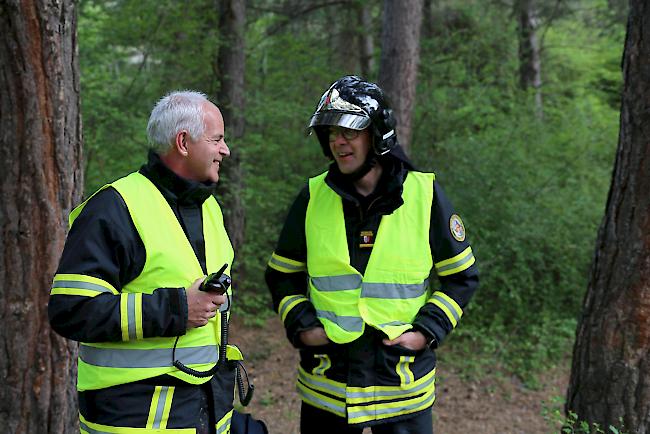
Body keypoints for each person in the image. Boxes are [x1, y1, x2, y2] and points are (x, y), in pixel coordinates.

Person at [265, 76, 479, 433]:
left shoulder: (425, 195)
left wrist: (426, 331)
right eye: (331, 132)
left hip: (402, 386)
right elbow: (281, 275)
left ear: (377, 135)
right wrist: (302, 325)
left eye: (349, 131)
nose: (337, 141)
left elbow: (462, 278)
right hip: (327, 385)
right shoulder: (312, 197)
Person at [48, 91, 253, 434]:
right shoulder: (115, 208)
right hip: (136, 419)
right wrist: (175, 308)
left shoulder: (208, 207)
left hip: (204, 412)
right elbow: (70, 310)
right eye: (217, 139)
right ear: (183, 142)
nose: (225, 150)